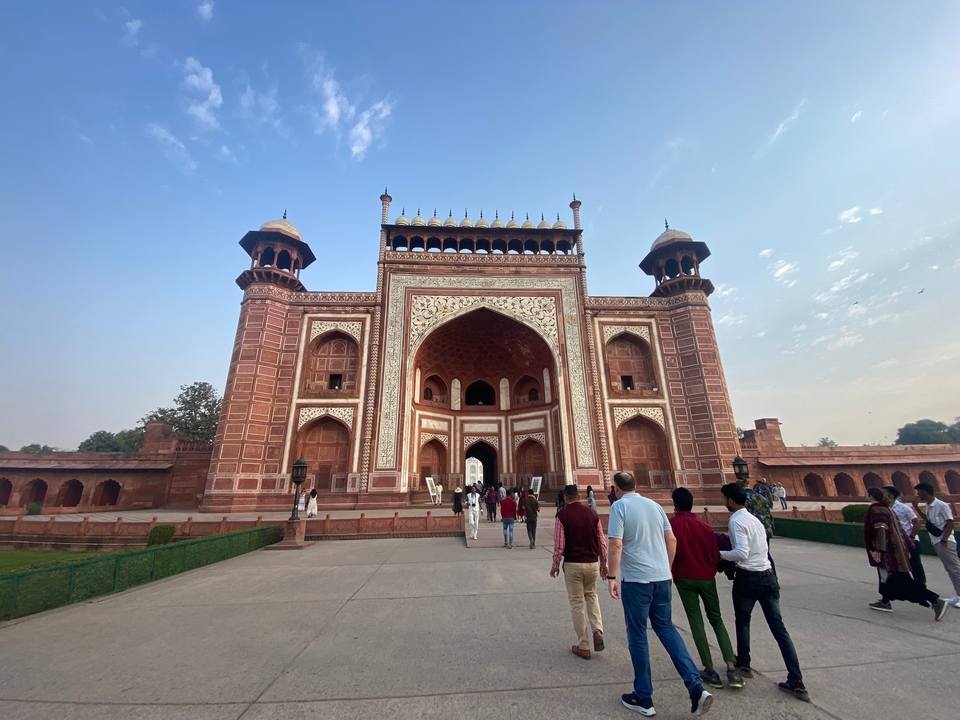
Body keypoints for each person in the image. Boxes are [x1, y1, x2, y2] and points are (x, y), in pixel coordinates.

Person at [607, 472, 712, 717]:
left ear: (616, 488)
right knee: (667, 629)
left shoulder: (619, 506)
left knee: (638, 636)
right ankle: (695, 687)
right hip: (662, 577)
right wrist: (667, 568)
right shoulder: (655, 506)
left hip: (637, 581)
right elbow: (671, 540)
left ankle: (643, 697)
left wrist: (612, 577)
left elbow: (616, 544)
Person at [719, 482, 809, 703]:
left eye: (724, 499)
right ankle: (797, 680)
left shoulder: (736, 521)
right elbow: (764, 549)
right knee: (779, 630)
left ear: (730, 500)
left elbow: (741, 553)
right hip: (768, 577)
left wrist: (718, 553)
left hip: (748, 578)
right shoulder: (755, 520)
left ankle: (744, 662)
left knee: (743, 621)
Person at [669, 487, 742, 691]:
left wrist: (672, 574)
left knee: (696, 622)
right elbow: (715, 555)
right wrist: (712, 569)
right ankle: (731, 668)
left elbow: (670, 552)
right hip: (707, 578)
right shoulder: (704, 526)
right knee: (717, 619)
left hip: (685, 579)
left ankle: (709, 669)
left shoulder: (671, 525)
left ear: (675, 505)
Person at [863, 487, 945, 618]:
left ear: (871, 496)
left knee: (901, 580)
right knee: (886, 578)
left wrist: (879, 550)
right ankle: (885, 601)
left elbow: (881, 530)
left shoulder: (877, 509)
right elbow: (899, 530)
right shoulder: (887, 508)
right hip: (895, 550)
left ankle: (935, 601)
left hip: (888, 552)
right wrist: (908, 547)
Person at [551, 485, 607, 661]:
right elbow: (602, 541)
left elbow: (559, 545)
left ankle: (584, 645)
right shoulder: (592, 514)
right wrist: (604, 564)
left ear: (565, 498)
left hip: (573, 564)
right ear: (579, 496)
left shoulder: (562, 516)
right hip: (592, 563)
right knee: (592, 595)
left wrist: (555, 565)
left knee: (576, 603)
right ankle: (597, 631)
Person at [913, 482, 960, 607]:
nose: (918, 494)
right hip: (936, 540)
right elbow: (928, 521)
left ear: (924, 492)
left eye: (919, 492)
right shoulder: (929, 505)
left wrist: (944, 539)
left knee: (955, 568)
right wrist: (917, 508)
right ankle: (958, 594)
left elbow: (950, 522)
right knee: (950, 569)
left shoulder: (941, 505)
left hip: (945, 541)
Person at [884, 486, 927, 589]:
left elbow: (916, 523)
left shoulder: (903, 507)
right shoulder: (885, 508)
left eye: (883, 493)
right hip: (896, 541)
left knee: (915, 565)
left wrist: (911, 537)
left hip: (909, 541)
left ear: (891, 495)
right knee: (898, 566)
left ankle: (921, 588)